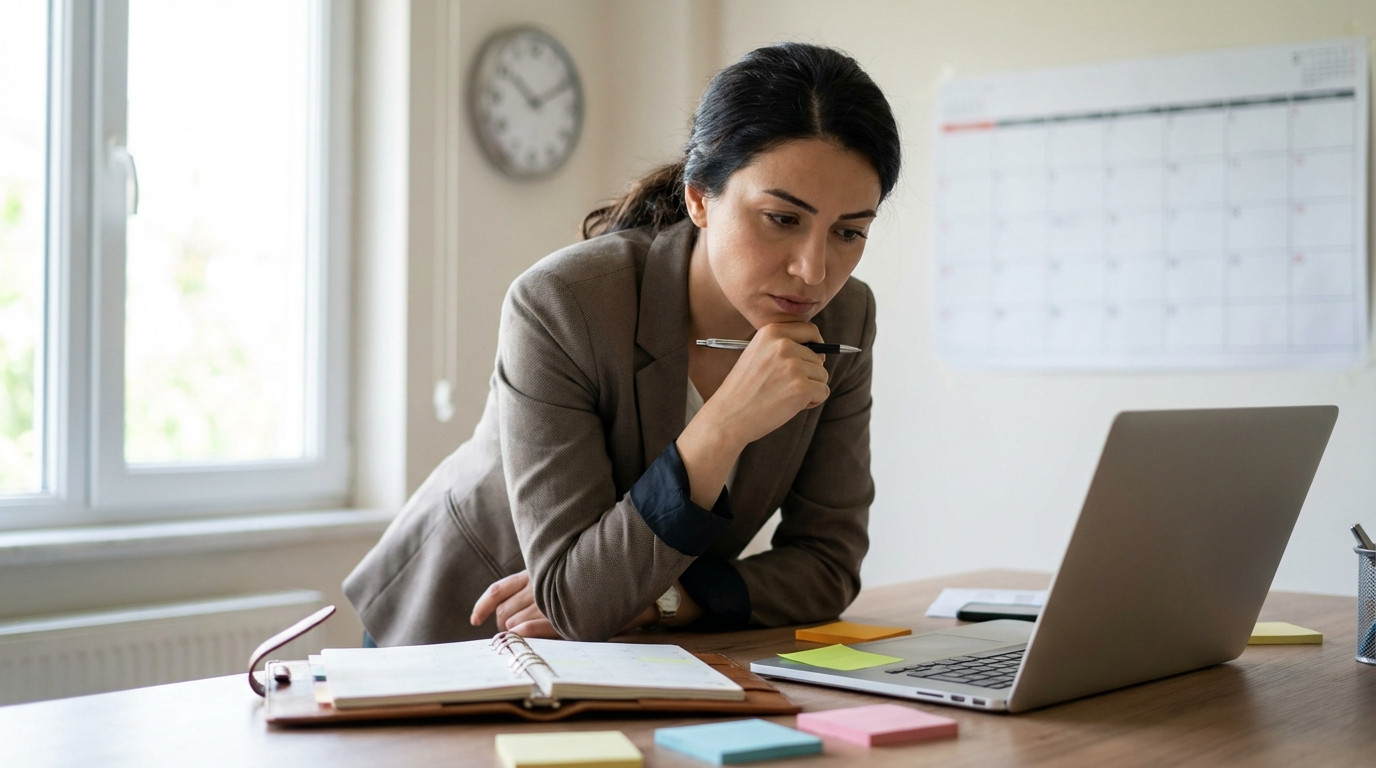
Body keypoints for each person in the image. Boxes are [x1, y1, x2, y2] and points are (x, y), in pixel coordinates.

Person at [343, 41, 902, 646]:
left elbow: (829, 565)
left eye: (848, 232)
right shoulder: (561, 303)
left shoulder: (845, 320)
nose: (813, 271)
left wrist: (668, 602)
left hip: (638, 647)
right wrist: (724, 426)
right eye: (782, 219)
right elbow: (574, 600)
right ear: (699, 198)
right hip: (458, 628)